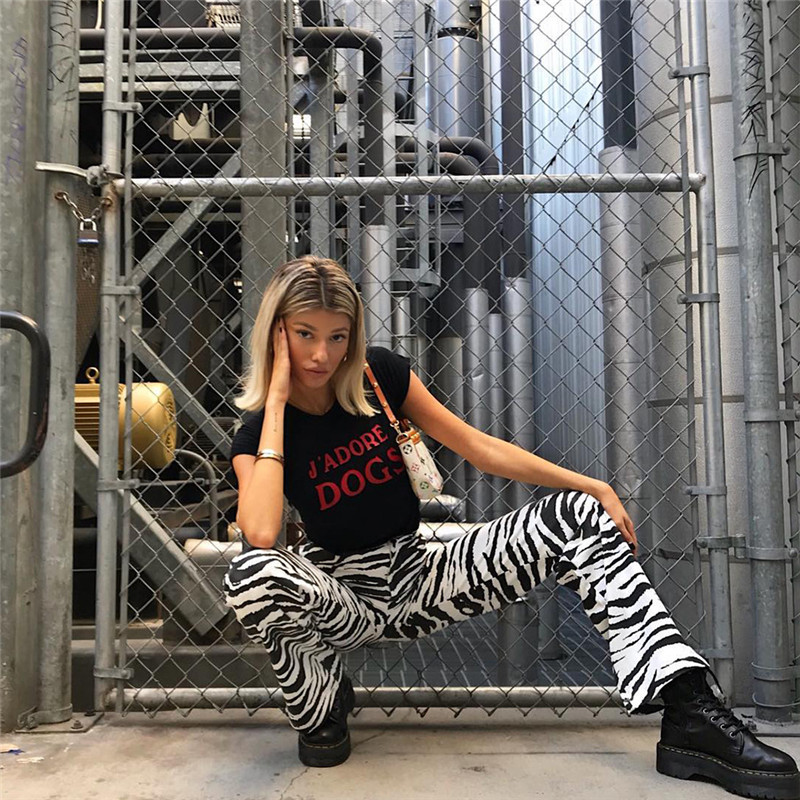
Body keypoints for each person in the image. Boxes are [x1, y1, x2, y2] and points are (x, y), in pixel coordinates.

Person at [223, 256, 798, 798]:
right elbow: (262, 533)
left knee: (579, 516)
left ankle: (689, 715)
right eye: (305, 334)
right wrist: (276, 405)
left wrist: (590, 485)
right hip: (342, 594)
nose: (321, 354)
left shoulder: (380, 375)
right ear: (276, 333)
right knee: (252, 575)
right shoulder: (257, 431)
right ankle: (322, 703)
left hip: (418, 573)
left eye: (337, 336)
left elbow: (479, 448)